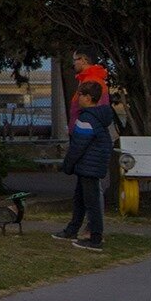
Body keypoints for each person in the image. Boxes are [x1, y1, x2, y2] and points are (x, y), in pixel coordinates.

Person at [52, 81, 115, 252]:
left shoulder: (86, 118)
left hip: (88, 166)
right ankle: (72, 229)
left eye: (80, 95)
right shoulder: (99, 117)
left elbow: (78, 146)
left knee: (91, 202)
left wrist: (68, 165)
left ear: (88, 98)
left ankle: (95, 239)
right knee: (79, 199)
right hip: (91, 165)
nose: (77, 98)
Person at [68, 46, 110, 126]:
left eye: (75, 60)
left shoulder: (90, 81)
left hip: (86, 132)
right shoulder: (90, 78)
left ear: (83, 60)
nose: (73, 63)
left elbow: (87, 109)